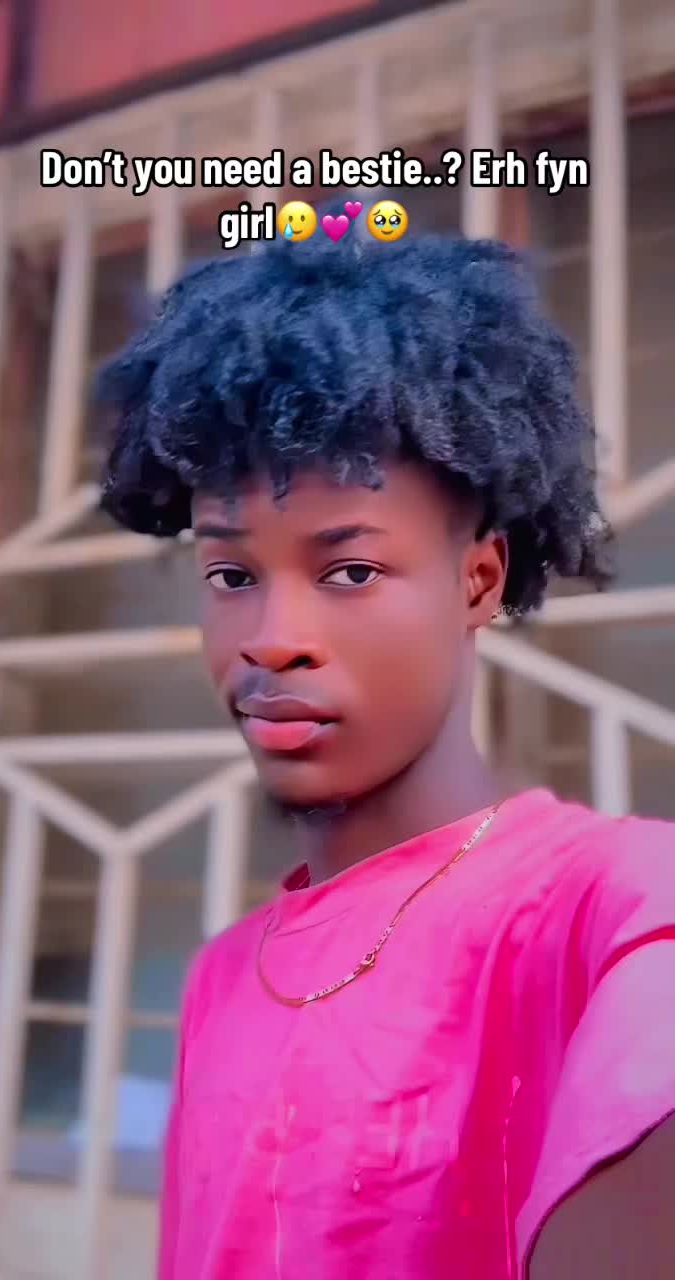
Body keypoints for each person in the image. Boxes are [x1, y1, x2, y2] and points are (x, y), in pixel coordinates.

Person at [98, 232, 675, 1279]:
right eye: (232, 575)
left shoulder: (614, 906)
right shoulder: (221, 977)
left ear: (478, 581)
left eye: (351, 570)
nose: (273, 639)